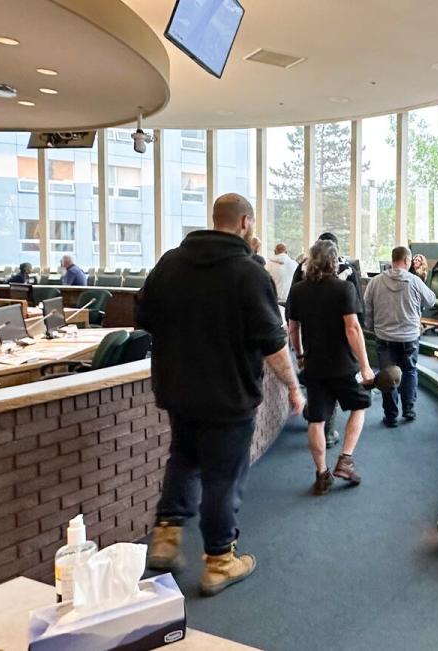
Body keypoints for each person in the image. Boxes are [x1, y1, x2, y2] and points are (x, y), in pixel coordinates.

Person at [136, 193, 305, 597]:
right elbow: (273, 343)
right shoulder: (249, 273)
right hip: (228, 398)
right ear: (245, 222)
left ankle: (167, 534)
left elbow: (143, 318)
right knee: (222, 479)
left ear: (214, 219)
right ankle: (218, 561)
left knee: (184, 458)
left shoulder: (170, 263)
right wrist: (294, 386)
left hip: (178, 390)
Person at [287, 239, 374, 495]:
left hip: (314, 366)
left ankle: (322, 474)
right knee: (360, 405)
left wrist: (301, 355)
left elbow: (293, 328)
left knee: (317, 420)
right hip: (343, 366)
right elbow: (352, 328)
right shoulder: (343, 288)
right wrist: (366, 366)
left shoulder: (299, 290)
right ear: (334, 261)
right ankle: (345, 460)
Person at [288, 231, 363, 447]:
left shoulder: (300, 271)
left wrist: (299, 352)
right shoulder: (347, 272)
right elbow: (357, 313)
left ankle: (319, 423)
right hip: (341, 344)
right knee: (347, 394)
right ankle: (330, 433)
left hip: (312, 341)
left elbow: (293, 320)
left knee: (318, 391)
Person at [364, 246, 436, 427]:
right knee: (410, 371)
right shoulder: (414, 281)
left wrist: (372, 328)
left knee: (388, 375)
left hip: (385, 336)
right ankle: (409, 409)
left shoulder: (376, 281)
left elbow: (367, 308)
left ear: (392, 260)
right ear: (407, 261)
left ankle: (391, 416)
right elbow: (431, 300)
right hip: (409, 337)